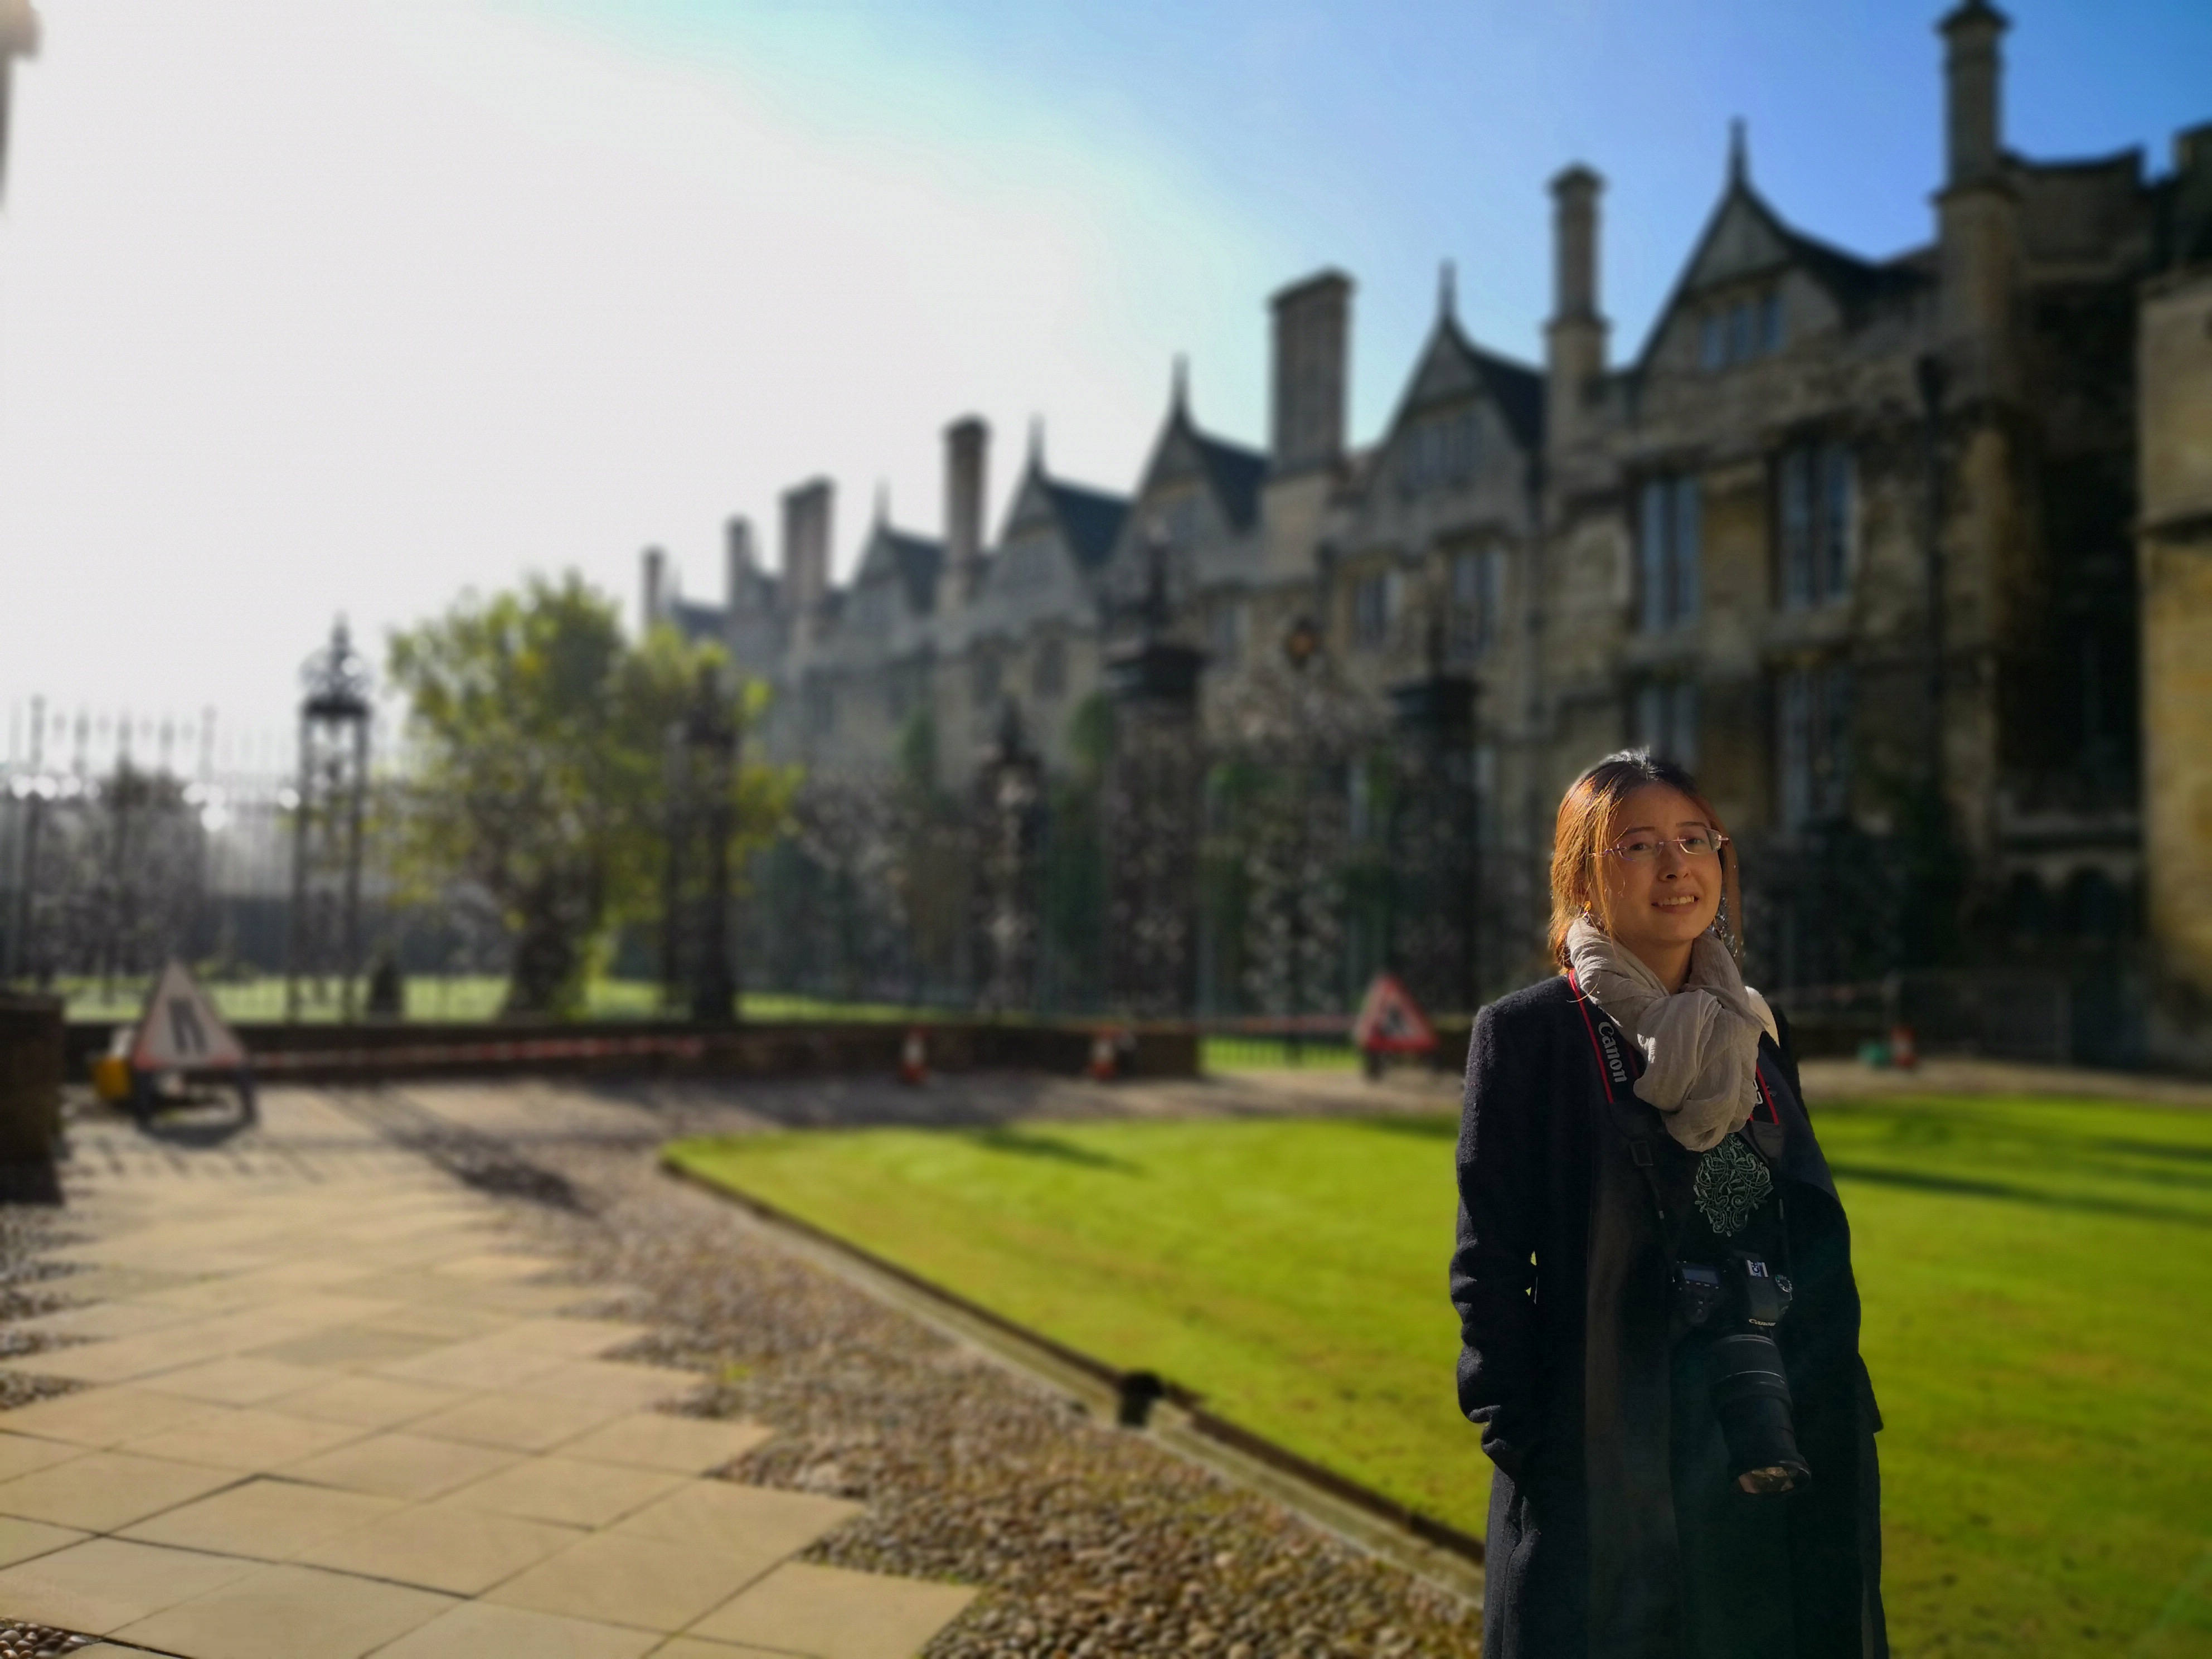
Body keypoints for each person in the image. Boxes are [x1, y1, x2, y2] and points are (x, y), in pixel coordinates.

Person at [1451, 750, 1885, 1658]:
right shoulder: (1531, 1036)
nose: (1676, 866)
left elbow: (1789, 1222)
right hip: (1607, 1441)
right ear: (1582, 878)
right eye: (1639, 845)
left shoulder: (1756, 1031)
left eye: (1695, 840)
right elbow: (1487, 1265)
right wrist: (1527, 1440)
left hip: (1761, 1425)